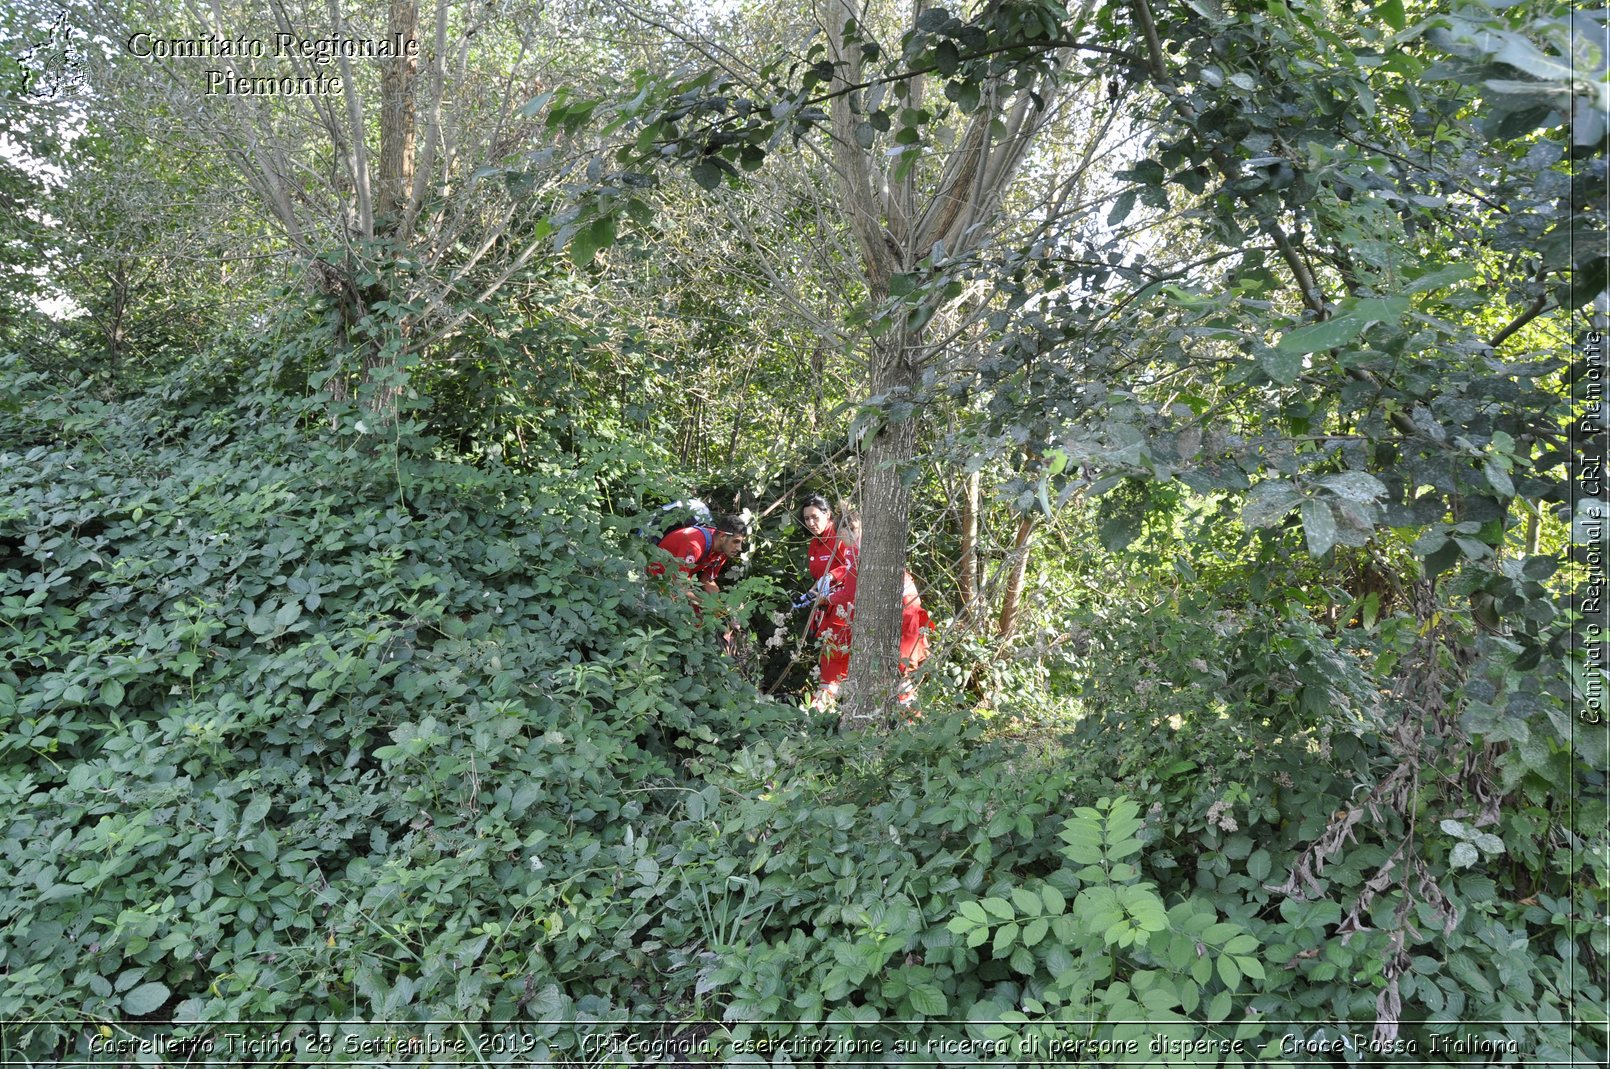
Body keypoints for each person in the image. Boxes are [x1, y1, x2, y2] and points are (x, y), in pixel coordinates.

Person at [810, 509, 934, 711]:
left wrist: (827, 598)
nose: (850, 535)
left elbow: (850, 592)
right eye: (847, 530)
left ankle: (909, 719)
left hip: (899, 610)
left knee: (899, 669)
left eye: (853, 529)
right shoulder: (875, 544)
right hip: (907, 604)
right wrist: (833, 575)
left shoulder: (854, 550)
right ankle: (906, 717)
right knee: (899, 668)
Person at [649, 514, 748, 595]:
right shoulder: (695, 546)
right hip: (657, 576)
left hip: (682, 580)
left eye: (740, 543)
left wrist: (723, 606)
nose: (739, 548)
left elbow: (707, 581)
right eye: (736, 542)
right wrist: (705, 604)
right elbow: (678, 583)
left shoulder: (723, 551)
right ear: (722, 536)